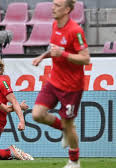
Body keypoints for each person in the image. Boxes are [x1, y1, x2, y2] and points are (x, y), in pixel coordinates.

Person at [31, 0, 90, 168]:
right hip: (54, 81)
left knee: (69, 123)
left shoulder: (75, 30)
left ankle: (74, 161)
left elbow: (85, 58)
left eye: (57, 5)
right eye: (53, 4)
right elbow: (56, 49)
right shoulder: (55, 26)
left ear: (67, 10)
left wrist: (62, 54)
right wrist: (43, 56)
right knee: (37, 114)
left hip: (71, 86)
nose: (53, 7)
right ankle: (63, 129)